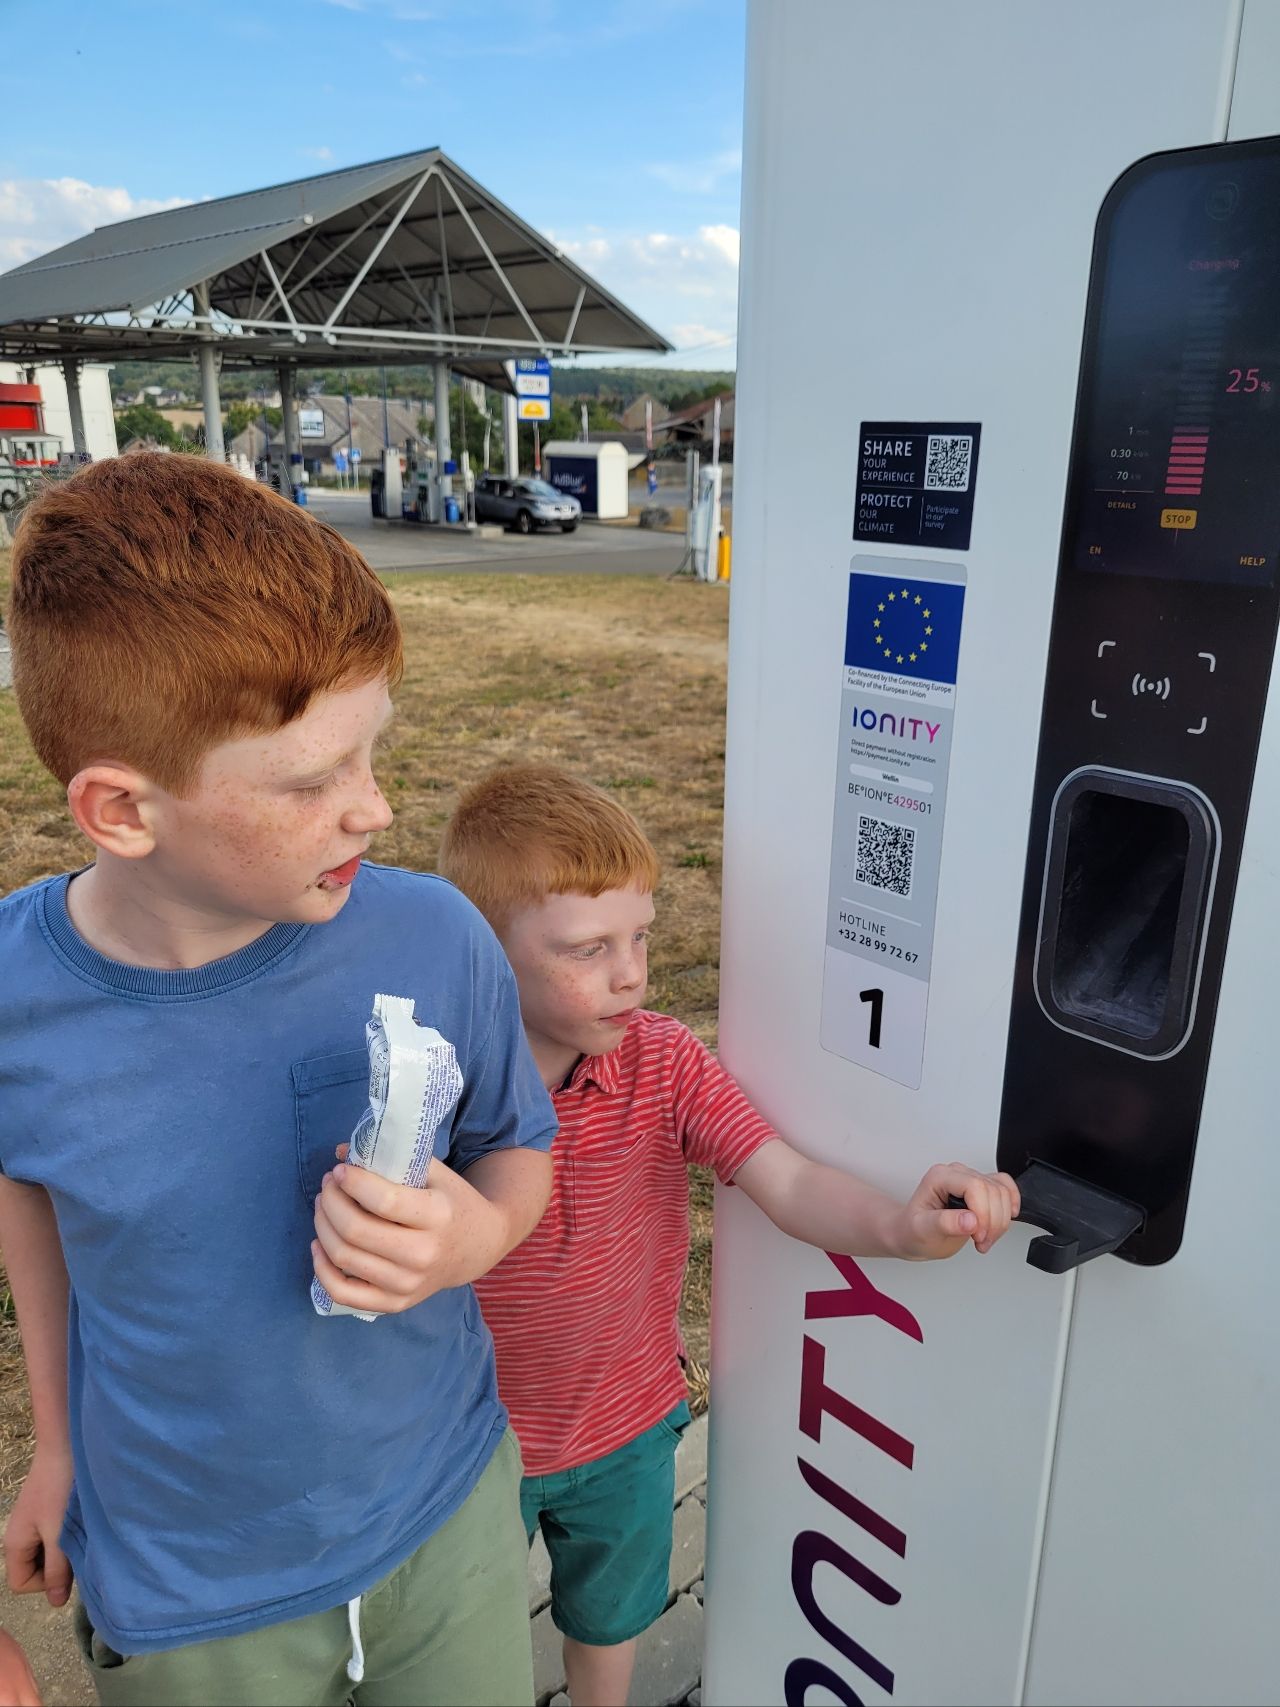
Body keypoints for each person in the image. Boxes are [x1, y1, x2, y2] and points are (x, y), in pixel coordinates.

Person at [0, 457, 557, 1706]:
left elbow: (519, 1145)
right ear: (121, 811)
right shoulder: (11, 1006)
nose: (376, 809)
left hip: (445, 1522)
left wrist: (480, 1231)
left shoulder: (436, 936)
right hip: (192, 1595)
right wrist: (58, 1438)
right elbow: (25, 1196)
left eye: (374, 754)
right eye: (313, 783)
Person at [439, 764, 1021, 1707]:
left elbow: (782, 1178)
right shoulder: (442, 1089)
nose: (630, 972)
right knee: (468, 1651)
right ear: (481, 952)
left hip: (626, 1431)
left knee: (611, 1621)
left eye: (640, 935)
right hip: (465, 1450)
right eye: (587, 949)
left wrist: (900, 1225)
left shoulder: (663, 1060)